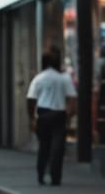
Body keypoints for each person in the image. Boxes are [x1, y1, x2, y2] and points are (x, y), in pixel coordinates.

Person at [27, 52, 78, 186]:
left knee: (44, 146)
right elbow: (72, 98)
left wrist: (32, 118)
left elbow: (31, 99)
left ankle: (41, 174)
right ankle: (56, 176)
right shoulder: (63, 78)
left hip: (43, 114)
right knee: (58, 147)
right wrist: (69, 114)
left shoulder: (39, 78)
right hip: (59, 114)